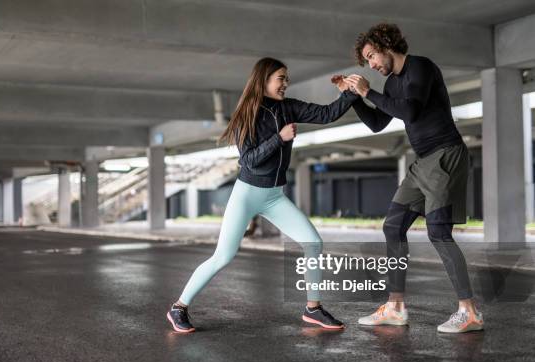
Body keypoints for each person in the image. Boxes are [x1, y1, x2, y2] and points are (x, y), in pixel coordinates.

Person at [167, 57, 359, 333]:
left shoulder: (289, 107)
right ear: (264, 80)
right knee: (224, 255)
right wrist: (279, 138)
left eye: (286, 78)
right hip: (247, 194)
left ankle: (313, 309)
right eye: (281, 78)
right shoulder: (248, 113)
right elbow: (249, 161)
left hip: (274, 196)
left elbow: (327, 114)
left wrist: (350, 92)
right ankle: (179, 308)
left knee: (313, 243)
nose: (286, 83)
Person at [339, 23, 483, 333]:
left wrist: (368, 91)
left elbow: (411, 111)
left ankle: (469, 312)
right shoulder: (390, 85)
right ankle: (395, 306)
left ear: (385, 45)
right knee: (393, 226)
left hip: (445, 155)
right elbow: (378, 122)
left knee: (439, 234)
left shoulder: (420, 67)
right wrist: (355, 98)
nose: (373, 65)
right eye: (368, 62)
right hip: (422, 164)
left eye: (372, 56)